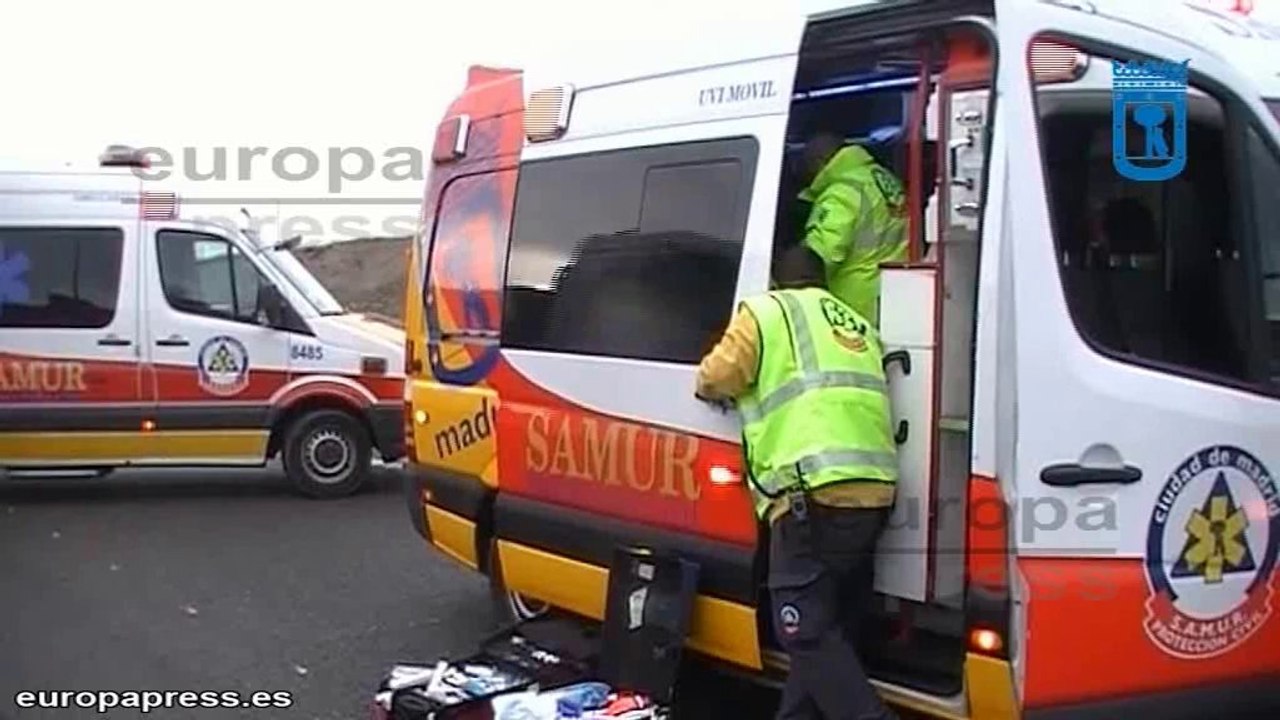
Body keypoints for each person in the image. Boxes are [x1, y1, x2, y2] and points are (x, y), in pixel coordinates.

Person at [695, 245, 900, 720]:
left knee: (803, 630)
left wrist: (703, 385)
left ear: (777, 282)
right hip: (874, 491)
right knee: (827, 633)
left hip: (814, 492)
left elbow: (720, 373)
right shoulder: (855, 322)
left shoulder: (766, 311)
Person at [797, 131, 909, 327]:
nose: (807, 175)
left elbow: (820, 256)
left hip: (854, 305)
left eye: (807, 166)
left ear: (820, 161)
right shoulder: (884, 179)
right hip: (895, 294)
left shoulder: (841, 193)